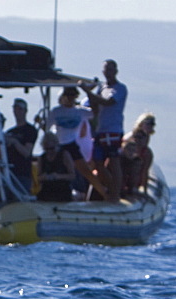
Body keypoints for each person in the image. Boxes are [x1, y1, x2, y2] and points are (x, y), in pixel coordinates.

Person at [47, 87, 106, 199]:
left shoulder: (80, 111)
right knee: (59, 171)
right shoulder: (56, 111)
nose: (69, 98)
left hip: (72, 144)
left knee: (85, 171)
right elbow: (47, 128)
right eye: (67, 95)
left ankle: (103, 192)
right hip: (59, 146)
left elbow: (95, 112)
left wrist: (89, 93)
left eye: (72, 96)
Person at [81, 59, 128, 201]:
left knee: (113, 161)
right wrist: (90, 93)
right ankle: (112, 189)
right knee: (98, 162)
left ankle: (116, 194)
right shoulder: (101, 88)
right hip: (101, 130)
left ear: (116, 71)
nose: (109, 73)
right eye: (106, 70)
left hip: (113, 129)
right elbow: (95, 105)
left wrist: (86, 90)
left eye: (111, 70)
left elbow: (108, 102)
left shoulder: (120, 89)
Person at [4, 98, 38, 196]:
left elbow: (27, 152)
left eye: (20, 109)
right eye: (15, 108)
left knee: (21, 198)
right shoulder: (10, 132)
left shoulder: (30, 130)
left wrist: (15, 142)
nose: (17, 111)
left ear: (25, 111)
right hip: (9, 173)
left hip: (22, 173)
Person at [121, 112, 156, 196]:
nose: (151, 126)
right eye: (149, 123)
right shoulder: (130, 138)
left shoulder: (146, 141)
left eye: (152, 124)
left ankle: (136, 188)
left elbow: (145, 170)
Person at [35, 132, 75, 202]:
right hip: (46, 191)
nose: (49, 151)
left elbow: (72, 175)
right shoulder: (42, 158)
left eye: (51, 148)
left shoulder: (64, 155)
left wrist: (58, 176)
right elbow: (38, 177)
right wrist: (44, 177)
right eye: (47, 149)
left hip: (62, 191)